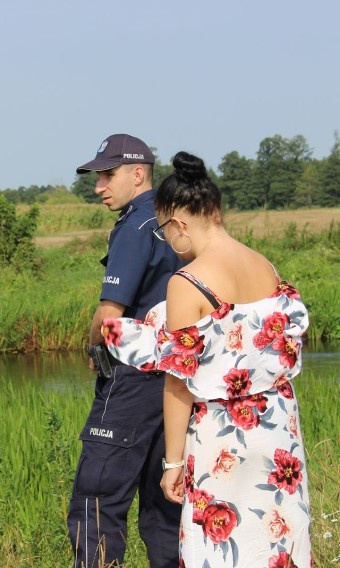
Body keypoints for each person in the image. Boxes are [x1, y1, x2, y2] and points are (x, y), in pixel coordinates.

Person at [102, 151, 311, 566]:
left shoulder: (187, 282)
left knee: (218, 548)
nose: (168, 240)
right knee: (276, 543)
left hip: (222, 436)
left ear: (179, 223)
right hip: (278, 431)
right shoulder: (264, 265)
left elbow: (179, 381)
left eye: (164, 230)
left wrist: (173, 462)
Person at [66, 134, 183, 567]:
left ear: (138, 173)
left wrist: (93, 343)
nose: (99, 186)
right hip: (179, 381)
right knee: (166, 506)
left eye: (107, 174)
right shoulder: (176, 222)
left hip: (133, 378)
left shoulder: (136, 226)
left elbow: (109, 315)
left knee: (97, 502)